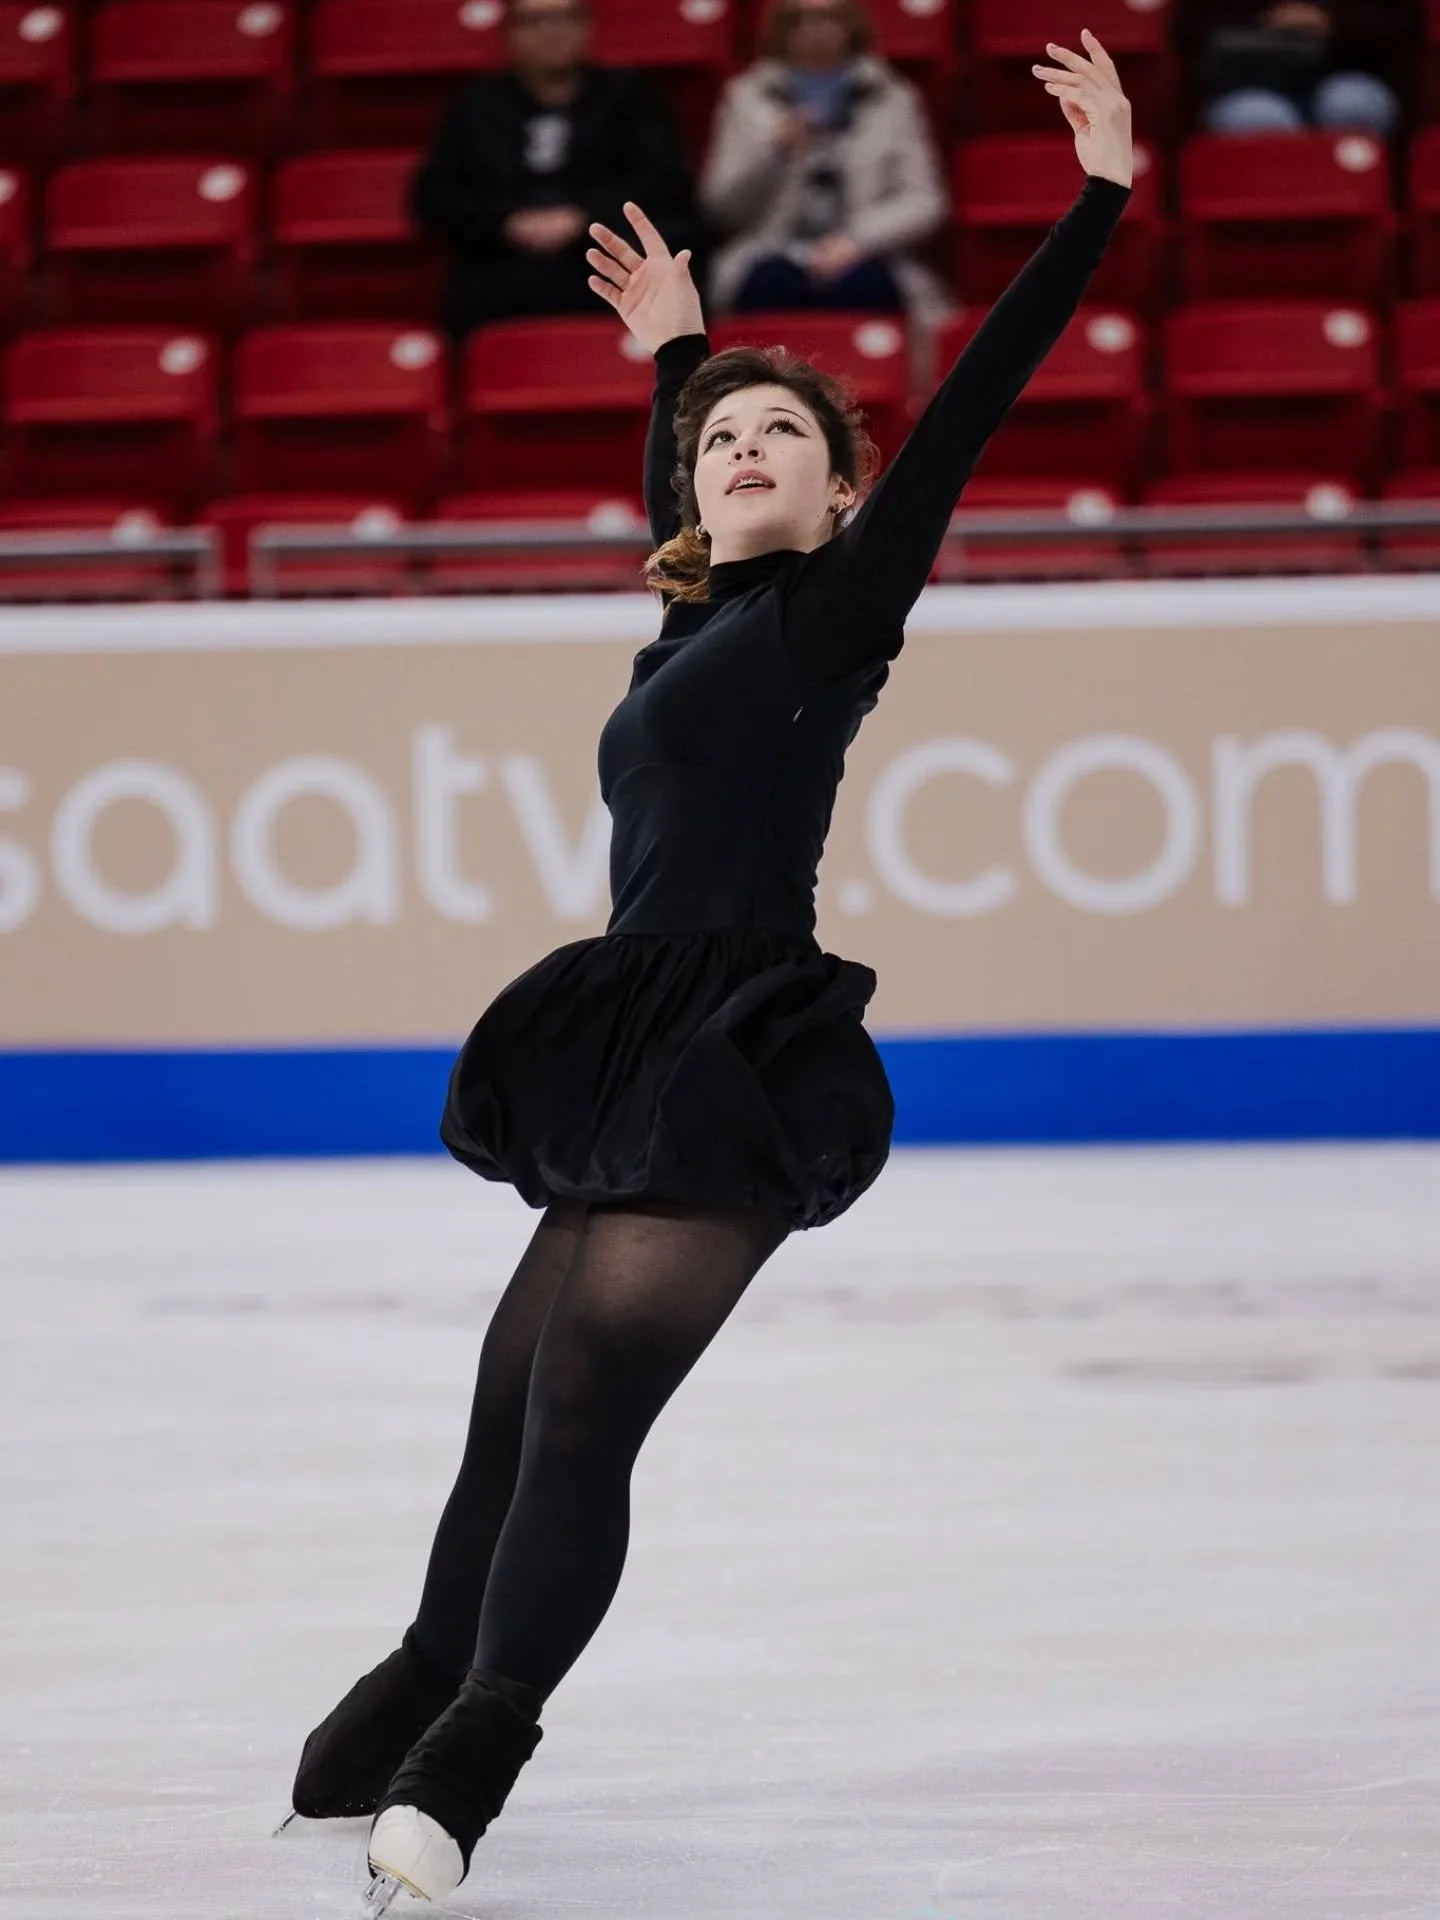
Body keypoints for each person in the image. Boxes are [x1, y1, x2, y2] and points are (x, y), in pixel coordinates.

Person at [287, 32, 1133, 1914]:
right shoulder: (693, 614)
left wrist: (1099, 200)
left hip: (734, 1048)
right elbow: (698, 489)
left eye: (783, 441)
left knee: (588, 1403)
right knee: (508, 1398)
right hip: (622, 1025)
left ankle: (479, 1739)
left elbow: (976, 404)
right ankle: (435, 1658)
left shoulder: (837, 608)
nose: (740, 453)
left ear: (844, 497)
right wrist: (682, 352)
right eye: (717, 444)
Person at [409, 0, 694, 341]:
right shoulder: (476, 105)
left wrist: (583, 217)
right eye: (535, 21)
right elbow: (435, 196)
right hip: (500, 262)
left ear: (587, 27)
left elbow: (666, 180)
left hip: (601, 256)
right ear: (510, 34)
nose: (551, 32)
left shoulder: (630, 97)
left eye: (564, 18)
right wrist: (506, 222)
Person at [699, 0, 950, 326]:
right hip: (770, 250)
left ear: (851, 26)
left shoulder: (893, 98)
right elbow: (720, 207)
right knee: (769, 283)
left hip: (866, 254)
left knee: (863, 284)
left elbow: (925, 201)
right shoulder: (746, 98)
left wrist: (857, 239)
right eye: (800, 20)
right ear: (782, 31)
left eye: (827, 18)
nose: (814, 31)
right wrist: (774, 152)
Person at [1198, 1, 1401, 138]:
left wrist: (1332, 21)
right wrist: (1265, 23)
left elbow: (1399, 25)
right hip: (1248, 83)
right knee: (1257, 117)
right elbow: (1195, 30)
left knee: (1351, 104)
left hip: (1345, 71)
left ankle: (1356, 192)